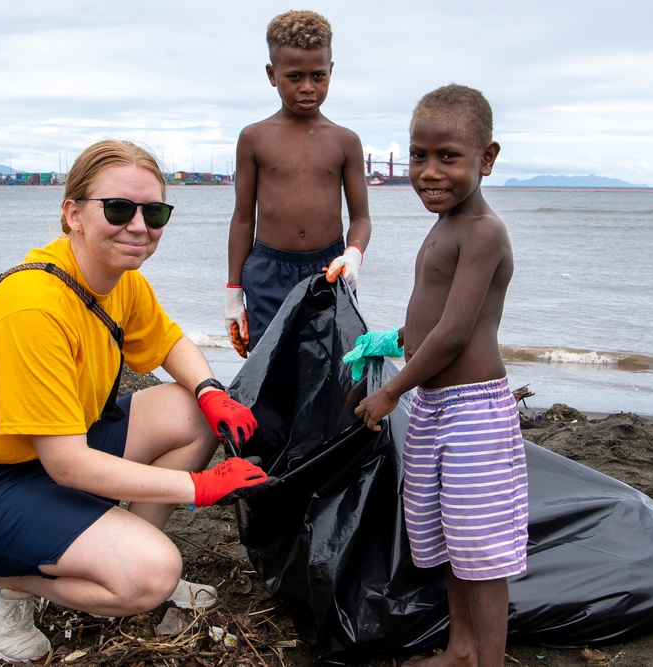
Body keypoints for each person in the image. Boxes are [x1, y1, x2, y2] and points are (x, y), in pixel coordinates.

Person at [0, 140, 271, 663]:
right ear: (73, 213)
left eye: (155, 212)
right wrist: (198, 486)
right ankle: (0, 581)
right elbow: (69, 464)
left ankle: (117, 554)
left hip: (40, 457)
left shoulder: (118, 280)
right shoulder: (34, 308)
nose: (139, 226)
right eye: (119, 208)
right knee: (151, 578)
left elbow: (169, 342)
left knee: (191, 410)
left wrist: (211, 390)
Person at [351, 85, 528, 667]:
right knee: (453, 540)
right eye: (418, 155)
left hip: (474, 411)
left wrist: (391, 391)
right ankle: (459, 650)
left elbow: (453, 334)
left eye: (448, 156)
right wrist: (391, 342)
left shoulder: (483, 231)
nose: (429, 171)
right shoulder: (447, 222)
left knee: (482, 549)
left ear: (487, 158)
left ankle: (489, 661)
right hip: (435, 406)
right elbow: (427, 320)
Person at [226, 9, 371, 357]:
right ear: (272, 75)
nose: (308, 87)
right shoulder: (254, 138)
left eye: (318, 75)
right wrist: (234, 292)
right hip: (267, 272)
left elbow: (362, 219)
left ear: (331, 71)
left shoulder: (345, 141)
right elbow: (244, 218)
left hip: (329, 270)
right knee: (269, 367)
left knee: (331, 365)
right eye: (294, 76)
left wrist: (352, 257)